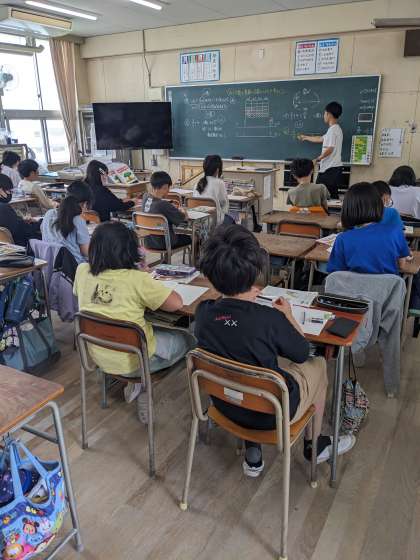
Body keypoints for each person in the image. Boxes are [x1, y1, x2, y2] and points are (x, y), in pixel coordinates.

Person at [195, 224, 355, 477]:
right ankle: (314, 446)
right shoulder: (269, 319)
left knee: (242, 363)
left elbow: (232, 328)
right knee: (319, 365)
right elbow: (302, 353)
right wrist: (288, 315)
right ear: (254, 272)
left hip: (224, 404)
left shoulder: (203, 313)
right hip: (271, 414)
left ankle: (252, 452)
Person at [73, 221, 195, 421]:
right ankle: (143, 386)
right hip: (136, 361)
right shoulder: (136, 279)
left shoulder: (82, 271)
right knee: (190, 338)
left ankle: (126, 382)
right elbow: (177, 303)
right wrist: (145, 275)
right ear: (129, 251)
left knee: (130, 327)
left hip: (97, 355)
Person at [328, 182, 410, 275]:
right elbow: (401, 265)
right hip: (387, 284)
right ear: (378, 205)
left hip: (353, 284)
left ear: (347, 209)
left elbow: (336, 273)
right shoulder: (396, 233)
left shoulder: (342, 239)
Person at [299, 101, 343, 199]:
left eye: (324, 113)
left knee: (319, 196)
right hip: (333, 169)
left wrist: (317, 159)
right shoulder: (336, 129)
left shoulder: (333, 130)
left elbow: (330, 149)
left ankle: (324, 209)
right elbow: (320, 139)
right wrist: (305, 137)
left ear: (329, 114)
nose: (324, 116)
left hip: (329, 170)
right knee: (331, 197)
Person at [41, 180, 92, 264]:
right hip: (74, 267)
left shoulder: (49, 214)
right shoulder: (78, 219)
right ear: (85, 204)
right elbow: (86, 252)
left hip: (50, 265)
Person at [142, 171, 191, 251]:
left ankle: (165, 258)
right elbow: (184, 219)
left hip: (148, 241)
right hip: (166, 242)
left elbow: (157, 207)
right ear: (164, 186)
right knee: (194, 236)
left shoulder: (145, 197)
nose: (169, 190)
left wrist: (170, 208)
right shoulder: (163, 204)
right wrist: (182, 210)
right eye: (168, 187)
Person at [0, 174, 41, 246]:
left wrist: (21, 220)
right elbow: (24, 231)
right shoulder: (3, 208)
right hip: (20, 246)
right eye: (9, 190)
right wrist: (40, 223)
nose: (10, 193)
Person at [193, 155, 233, 225]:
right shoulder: (219, 183)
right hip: (213, 221)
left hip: (197, 221)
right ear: (217, 169)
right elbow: (224, 203)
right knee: (232, 220)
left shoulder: (198, 183)